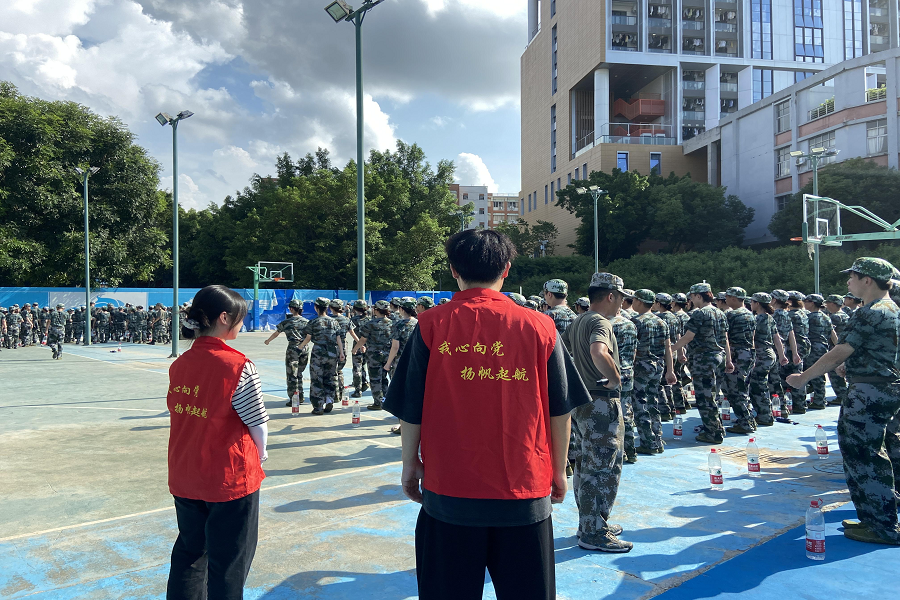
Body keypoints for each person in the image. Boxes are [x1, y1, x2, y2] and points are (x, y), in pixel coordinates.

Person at [384, 229, 589, 598]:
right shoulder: (540, 326)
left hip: (449, 492)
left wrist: (409, 463)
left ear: (453, 270)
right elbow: (561, 409)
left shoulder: (431, 324)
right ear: (506, 269)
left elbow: (411, 407)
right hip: (523, 492)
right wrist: (558, 469)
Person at [787, 258, 900, 546]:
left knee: (865, 456)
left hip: (869, 392)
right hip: (882, 387)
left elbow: (839, 351)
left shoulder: (871, 312)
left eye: (852, 276)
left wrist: (804, 378)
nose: (848, 282)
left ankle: (882, 526)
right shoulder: (892, 310)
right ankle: (873, 519)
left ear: (867, 280)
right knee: (868, 452)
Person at [165, 285, 268, 599]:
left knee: (190, 553)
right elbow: (257, 422)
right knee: (228, 561)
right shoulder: (238, 365)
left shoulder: (180, 363)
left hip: (186, 472)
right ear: (224, 317)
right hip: (228, 478)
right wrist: (262, 453)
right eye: (239, 317)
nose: (242, 324)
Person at [564, 272, 631, 552]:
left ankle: (589, 523)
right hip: (601, 403)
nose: (622, 304)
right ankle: (593, 532)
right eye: (621, 298)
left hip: (582, 401)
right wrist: (615, 379)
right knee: (603, 467)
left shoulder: (578, 320)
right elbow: (598, 351)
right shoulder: (600, 322)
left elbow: (562, 352)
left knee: (586, 464)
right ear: (611, 296)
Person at [672, 283, 733, 444]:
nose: (691, 300)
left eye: (692, 297)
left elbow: (688, 336)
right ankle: (715, 426)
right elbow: (725, 339)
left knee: (705, 397)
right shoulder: (720, 313)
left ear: (699, 296)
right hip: (719, 357)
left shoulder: (700, 314)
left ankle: (713, 433)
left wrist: (671, 349)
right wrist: (728, 359)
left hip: (704, 360)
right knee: (713, 396)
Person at [629, 289, 676, 455]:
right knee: (652, 402)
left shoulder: (636, 322)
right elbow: (668, 348)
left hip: (641, 366)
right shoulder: (661, 322)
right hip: (658, 365)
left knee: (639, 404)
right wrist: (670, 370)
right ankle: (657, 438)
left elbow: (632, 349)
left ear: (639, 302)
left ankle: (648, 442)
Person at [296, 298, 345, 415]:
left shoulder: (313, 322)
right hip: (332, 352)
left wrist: (300, 347)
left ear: (316, 307)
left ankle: (318, 407)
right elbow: (338, 338)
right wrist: (341, 352)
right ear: (327, 308)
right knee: (330, 377)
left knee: (317, 379)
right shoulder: (334, 322)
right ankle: (329, 399)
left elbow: (308, 338)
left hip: (318, 352)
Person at [747, 293, 789, 427]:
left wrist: (751, 356)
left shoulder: (757, 319)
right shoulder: (770, 318)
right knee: (773, 383)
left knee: (758, 386)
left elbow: (752, 338)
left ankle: (765, 416)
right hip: (770, 354)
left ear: (757, 303)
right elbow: (777, 338)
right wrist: (781, 355)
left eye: (752, 302)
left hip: (761, 355)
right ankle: (781, 408)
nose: (751, 304)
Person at [723, 287, 757, 435]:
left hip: (736, 353)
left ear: (734, 298)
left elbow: (725, 338)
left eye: (727, 297)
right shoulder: (750, 314)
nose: (725, 300)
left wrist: (728, 359)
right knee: (743, 388)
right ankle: (749, 419)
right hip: (748, 353)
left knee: (735, 390)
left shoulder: (731, 315)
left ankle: (745, 422)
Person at [264, 299, 310, 406]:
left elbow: (276, 333)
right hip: (305, 348)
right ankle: (301, 396)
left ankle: (294, 398)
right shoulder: (307, 322)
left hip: (293, 349)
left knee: (292, 374)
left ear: (291, 309)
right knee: (299, 373)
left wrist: (268, 341)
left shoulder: (286, 322)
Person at [384, 297, 419, 435]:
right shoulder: (420, 323)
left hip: (401, 363)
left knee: (401, 394)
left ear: (401, 309)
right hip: (418, 362)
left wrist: (388, 363)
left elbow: (395, 347)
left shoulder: (398, 325)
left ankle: (403, 426)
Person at [351, 300, 393, 411]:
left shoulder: (371, 324)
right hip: (388, 354)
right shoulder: (392, 323)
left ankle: (378, 402)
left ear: (376, 310)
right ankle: (386, 400)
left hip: (374, 355)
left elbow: (363, 339)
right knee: (384, 378)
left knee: (375, 379)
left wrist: (355, 349)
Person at [611, 303, 638, 464]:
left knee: (612, 413)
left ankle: (618, 452)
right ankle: (630, 450)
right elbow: (634, 351)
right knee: (626, 411)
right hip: (627, 370)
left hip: (612, 372)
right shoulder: (631, 324)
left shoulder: (608, 324)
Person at [803, 293, 836, 410]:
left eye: (806, 301)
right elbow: (832, 334)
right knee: (820, 374)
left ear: (812, 303)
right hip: (823, 347)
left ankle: (819, 401)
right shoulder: (826, 317)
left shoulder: (809, 317)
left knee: (813, 374)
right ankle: (820, 398)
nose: (804, 303)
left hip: (812, 348)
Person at [824, 294, 850, 406]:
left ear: (833, 304)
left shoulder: (834, 317)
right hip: (847, 346)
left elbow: (831, 334)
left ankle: (841, 396)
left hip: (836, 347)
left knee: (835, 374)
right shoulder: (846, 316)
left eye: (828, 303)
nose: (826, 305)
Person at [543, 279, 577, 352]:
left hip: (556, 356)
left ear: (549, 294)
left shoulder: (547, 315)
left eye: (544, 294)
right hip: (573, 358)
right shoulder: (575, 316)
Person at [349, 300, 370, 398]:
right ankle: (364, 382)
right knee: (364, 365)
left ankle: (358, 390)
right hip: (369, 346)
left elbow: (352, 332)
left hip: (357, 346)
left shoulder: (353, 319)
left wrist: (359, 344)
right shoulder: (370, 319)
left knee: (357, 367)